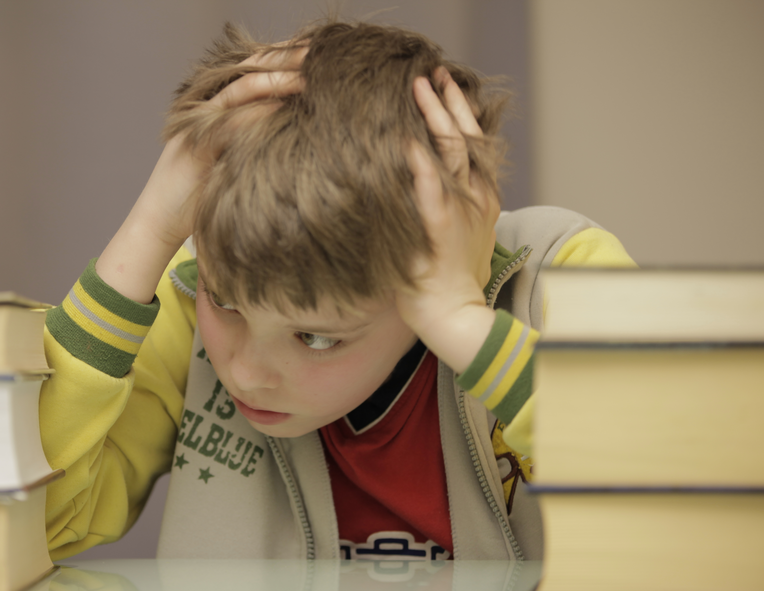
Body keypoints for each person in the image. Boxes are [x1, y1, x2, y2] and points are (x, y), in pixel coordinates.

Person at [39, 20, 635, 561]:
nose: (245, 374)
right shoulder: (193, 284)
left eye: (318, 338)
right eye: (226, 304)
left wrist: (461, 319)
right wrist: (149, 228)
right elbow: (43, 526)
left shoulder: (561, 275)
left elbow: (661, 503)